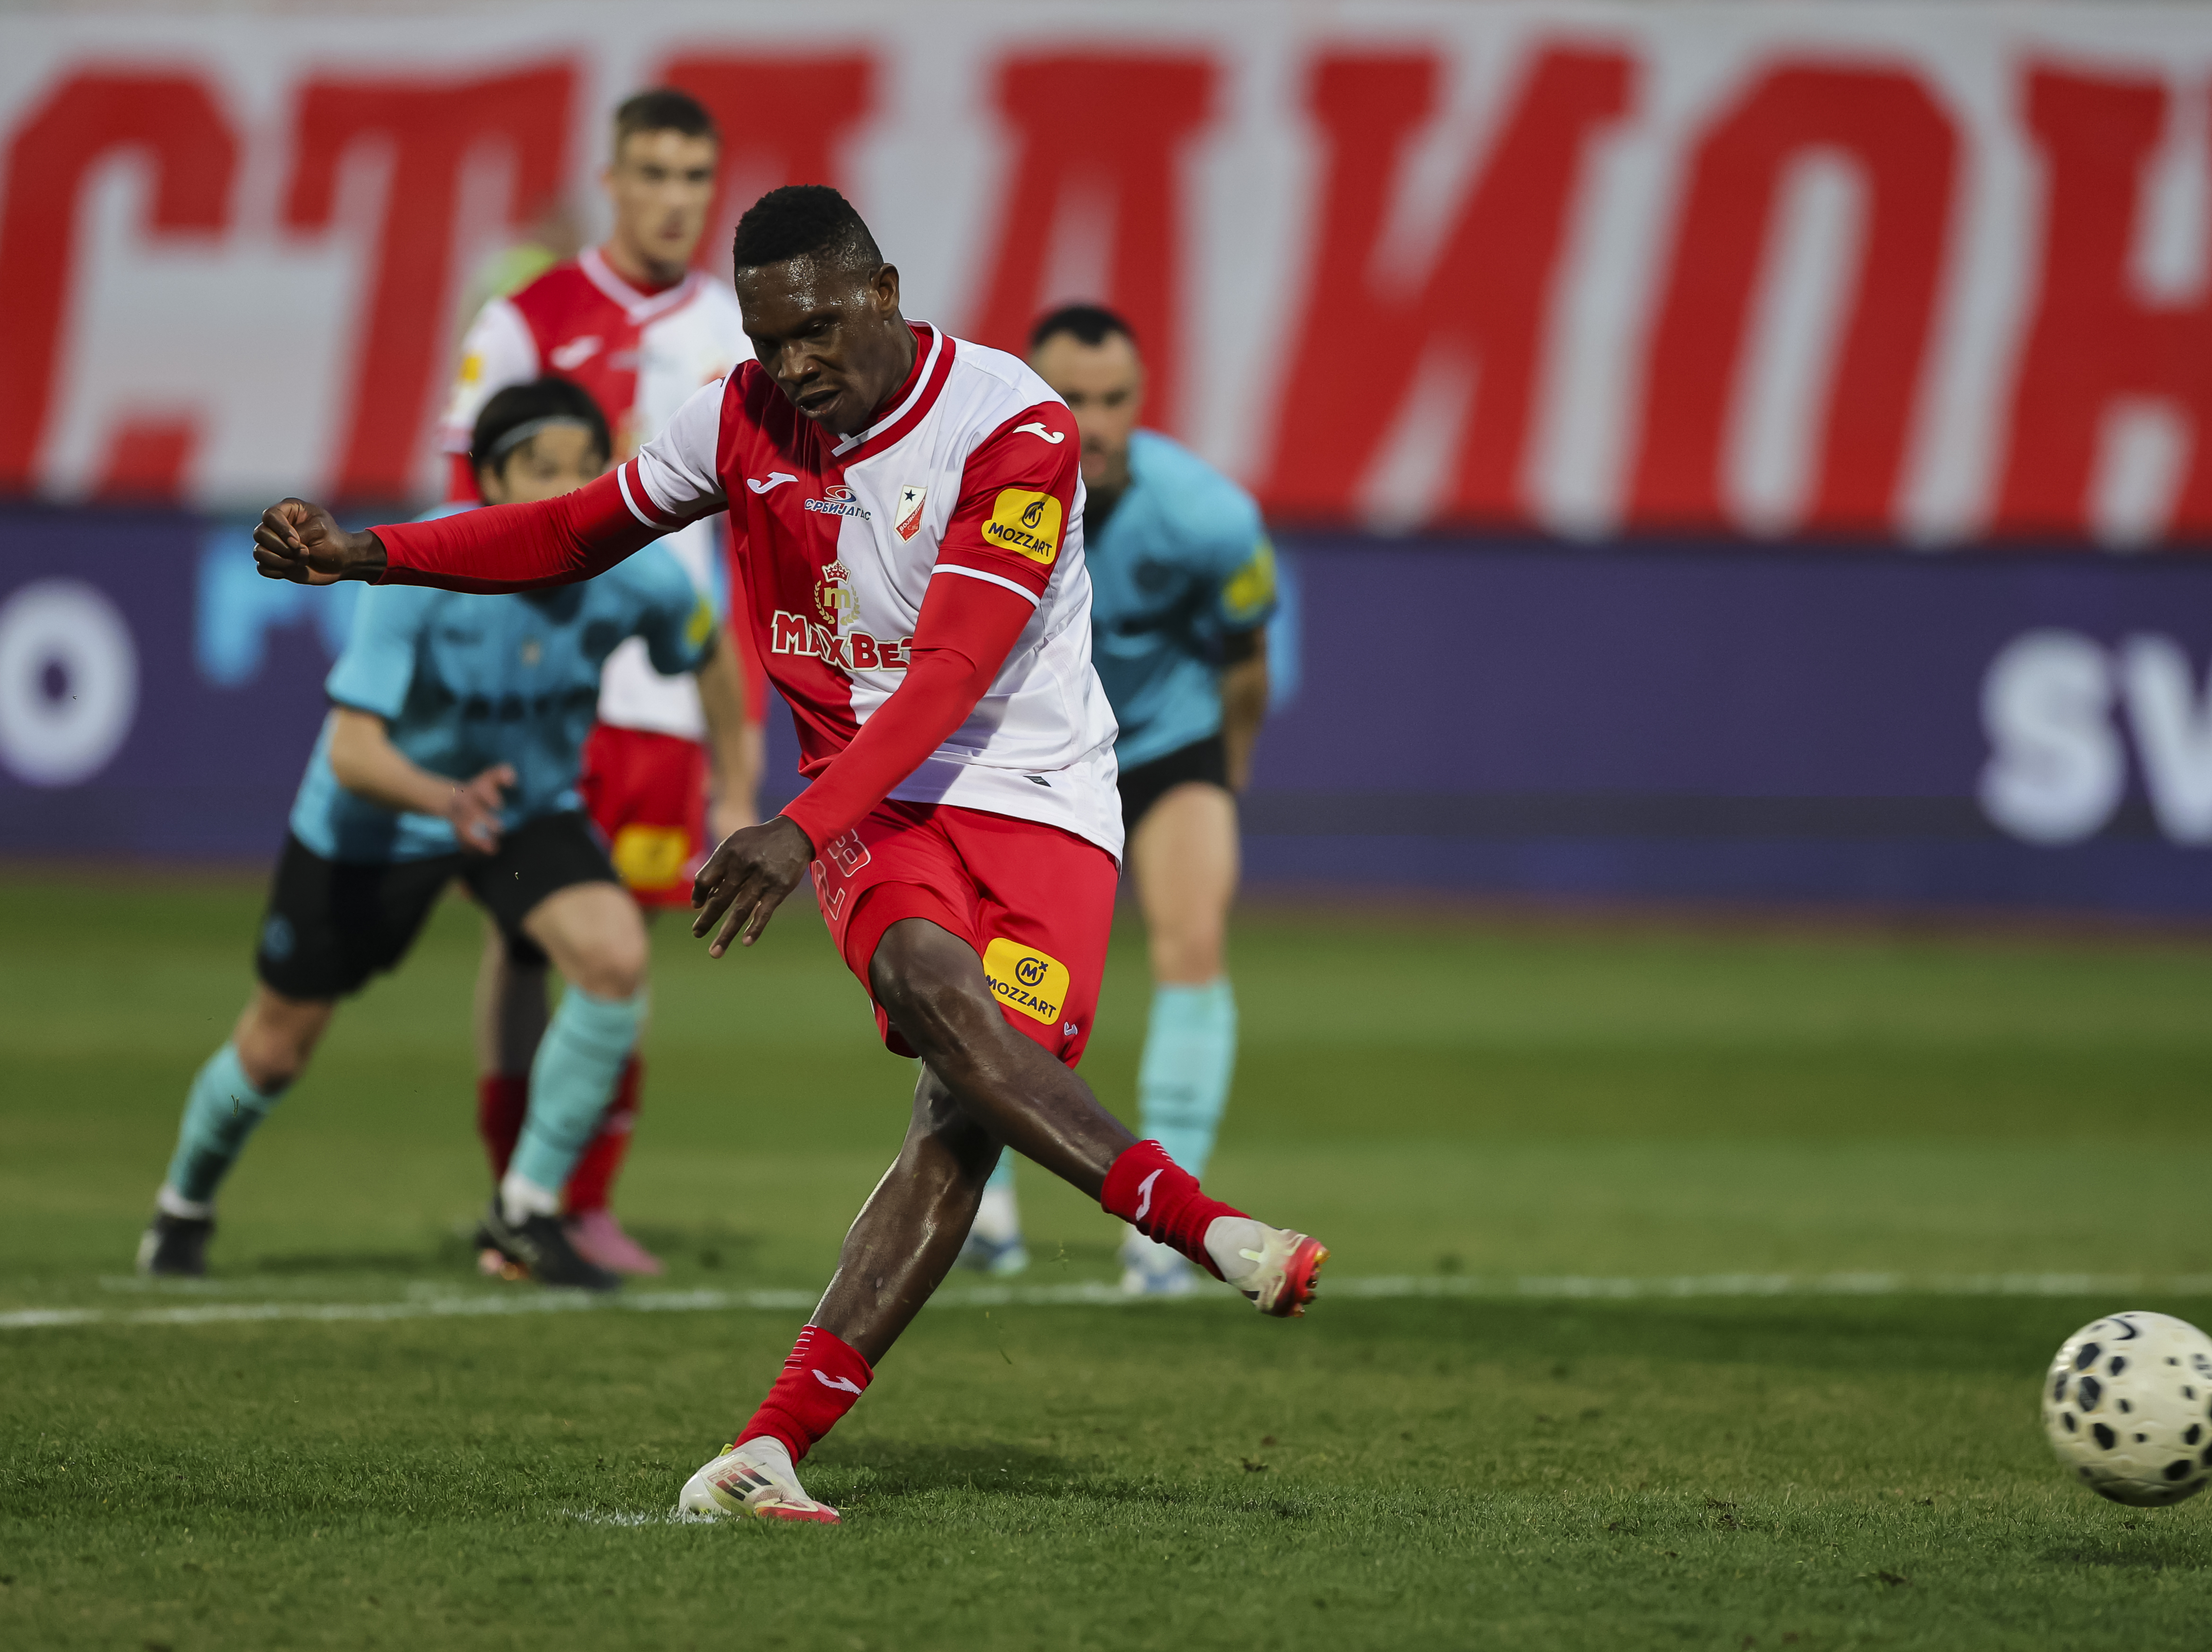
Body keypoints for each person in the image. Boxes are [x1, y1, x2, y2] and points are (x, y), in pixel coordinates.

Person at [251, 185, 1329, 1524]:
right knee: (935, 996)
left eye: (817, 330)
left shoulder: (1015, 428)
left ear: (883, 291)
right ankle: (1201, 1226)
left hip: (1040, 804)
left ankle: (769, 1446)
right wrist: (371, 553)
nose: (795, 365)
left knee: (961, 1122)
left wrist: (788, 830)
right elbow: (576, 528)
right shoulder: (739, 417)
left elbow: (948, 676)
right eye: (769, 341)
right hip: (873, 806)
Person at [140, 379, 745, 1291]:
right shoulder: (418, 572)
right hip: (380, 821)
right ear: (489, 482)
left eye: (586, 469)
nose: (568, 490)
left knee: (615, 958)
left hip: (525, 809)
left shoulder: (639, 571)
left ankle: (525, 1210)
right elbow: (353, 752)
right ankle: (183, 1205)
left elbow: (709, 651)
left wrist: (733, 792)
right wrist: (444, 798)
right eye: (542, 469)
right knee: (274, 1048)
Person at [441, 87, 762, 1275]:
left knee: (617, 944)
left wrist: (741, 733)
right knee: (534, 941)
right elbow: (464, 496)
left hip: (664, 697)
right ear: (613, 181)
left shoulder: (739, 334)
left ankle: (574, 1199)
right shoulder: (527, 321)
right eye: (655, 174)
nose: (676, 200)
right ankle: (524, 1193)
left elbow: (760, 525)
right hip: (541, 688)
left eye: (695, 177)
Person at [957, 303, 1280, 1292]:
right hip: (1037, 756)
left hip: (1165, 744)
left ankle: (1163, 1232)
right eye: (1070, 399)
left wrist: (1226, 772)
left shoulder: (1210, 519)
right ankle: (981, 1201)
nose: (1093, 423)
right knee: (994, 977)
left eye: (1114, 399)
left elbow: (1245, 660)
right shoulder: (974, 492)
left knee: (1192, 946)